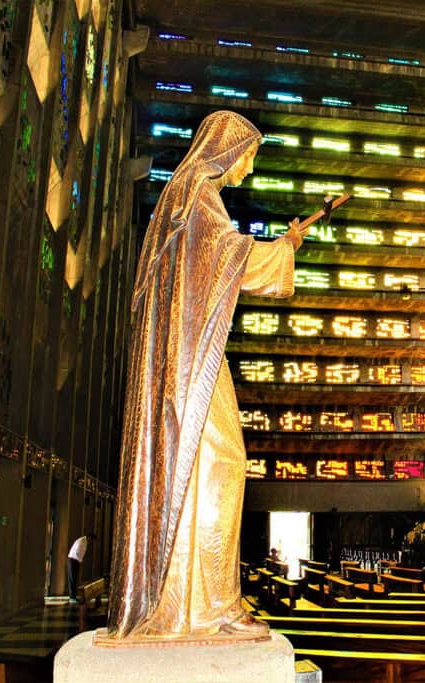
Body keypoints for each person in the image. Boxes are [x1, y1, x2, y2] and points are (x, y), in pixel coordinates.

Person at [106, 111, 310, 642]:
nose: (247, 168)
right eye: (247, 156)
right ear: (227, 149)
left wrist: (280, 247)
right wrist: (284, 249)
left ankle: (194, 603)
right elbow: (228, 262)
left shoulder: (186, 196)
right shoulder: (198, 195)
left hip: (189, 349)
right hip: (191, 356)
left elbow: (218, 261)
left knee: (200, 466)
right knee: (223, 459)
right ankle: (212, 605)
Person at [67, 533, 96, 602]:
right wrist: (80, 561)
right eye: (92, 541)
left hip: (76, 560)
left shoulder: (84, 541)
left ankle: (73, 595)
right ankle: (72, 596)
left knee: (74, 578)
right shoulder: (82, 541)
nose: (91, 543)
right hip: (73, 560)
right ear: (89, 538)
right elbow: (77, 552)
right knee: (72, 578)